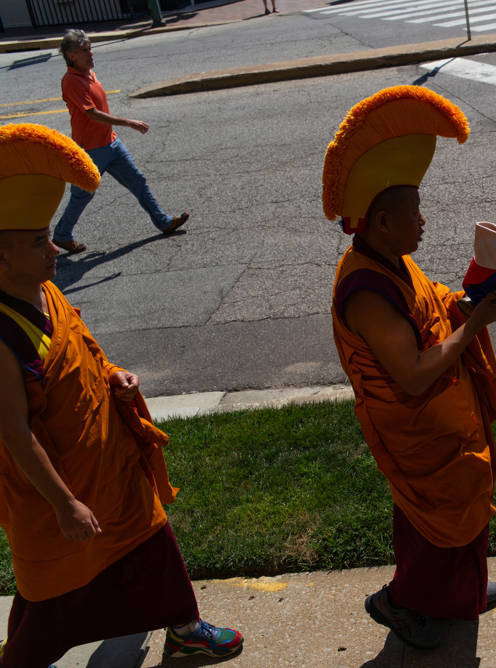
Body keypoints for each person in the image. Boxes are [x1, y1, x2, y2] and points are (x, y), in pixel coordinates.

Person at [0, 123, 242, 667]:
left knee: (153, 540)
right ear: (1, 259)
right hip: (57, 492)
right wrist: (65, 504)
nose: (54, 249)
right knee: (54, 594)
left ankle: (185, 630)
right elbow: (13, 433)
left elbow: (85, 353)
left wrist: (113, 373)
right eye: (39, 242)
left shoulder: (46, 292)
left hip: (111, 467)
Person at [325, 86, 496, 650]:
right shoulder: (364, 289)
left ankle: (459, 596)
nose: (424, 220)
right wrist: (475, 325)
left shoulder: (391, 261)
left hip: (444, 421)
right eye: (415, 212)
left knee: (461, 515)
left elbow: (430, 305)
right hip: (415, 429)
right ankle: (401, 602)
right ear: (383, 222)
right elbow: (410, 373)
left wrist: (465, 303)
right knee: (432, 533)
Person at [53, 29, 188, 255]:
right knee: (82, 195)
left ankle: (163, 222)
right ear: (72, 55)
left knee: (137, 181)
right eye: (85, 51)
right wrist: (128, 122)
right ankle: (62, 235)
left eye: (90, 49)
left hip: (111, 143)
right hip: (91, 149)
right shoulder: (71, 81)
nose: (91, 54)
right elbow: (92, 114)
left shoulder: (89, 73)